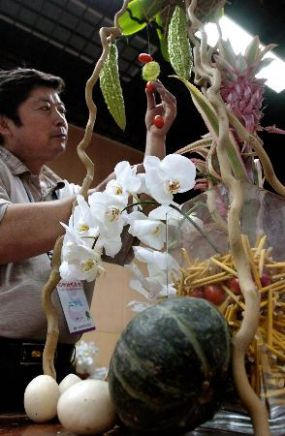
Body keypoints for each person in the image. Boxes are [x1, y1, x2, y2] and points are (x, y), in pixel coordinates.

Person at [0, 67, 177, 410]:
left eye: (62, 109)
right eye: (44, 108)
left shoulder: (64, 190)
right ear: (4, 124)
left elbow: (129, 229)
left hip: (60, 365)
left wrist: (154, 141)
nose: (60, 118)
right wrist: (96, 196)